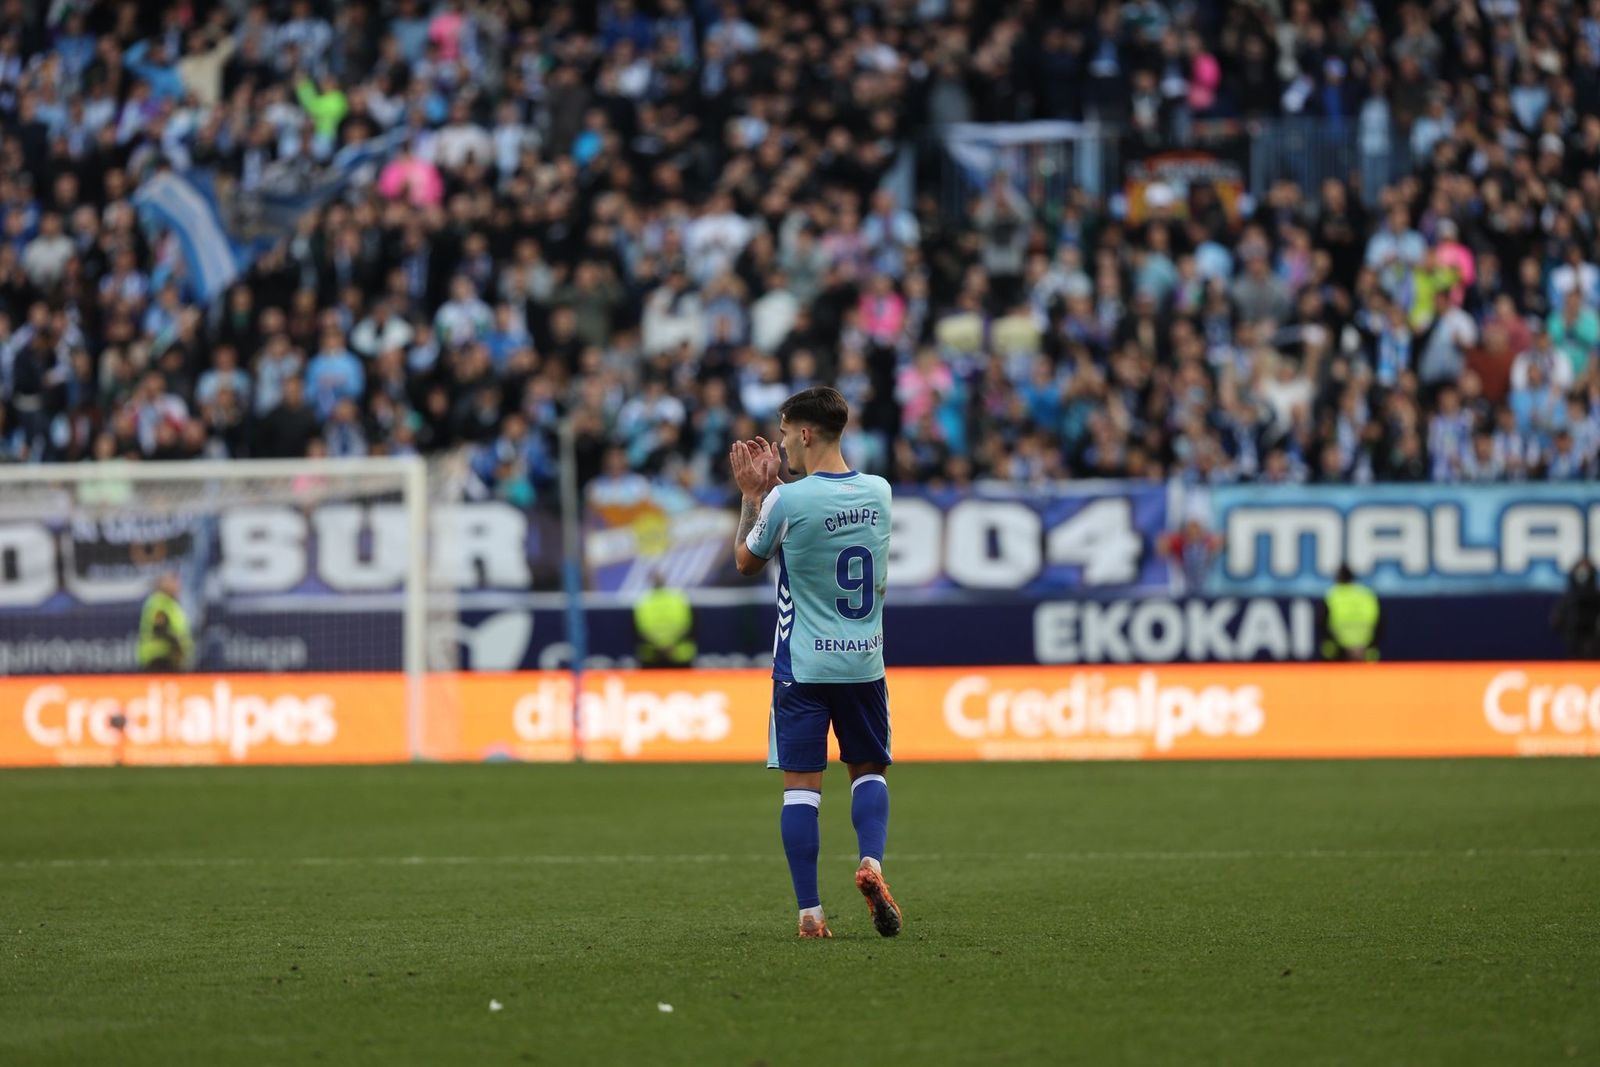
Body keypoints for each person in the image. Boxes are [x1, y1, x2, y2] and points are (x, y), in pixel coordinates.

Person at [729, 386, 899, 940]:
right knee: (868, 771)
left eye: (783, 433)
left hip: (802, 668)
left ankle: (810, 914)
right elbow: (826, 509)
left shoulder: (785, 502)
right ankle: (871, 864)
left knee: (801, 791)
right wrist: (776, 490)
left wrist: (753, 495)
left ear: (804, 433)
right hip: (863, 664)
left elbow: (746, 561)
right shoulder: (879, 492)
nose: (780, 444)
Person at [633, 573, 696, 667]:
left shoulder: (678, 599)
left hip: (674, 655)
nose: (658, 580)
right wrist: (665, 647)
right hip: (657, 656)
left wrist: (664, 648)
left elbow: (689, 626)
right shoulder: (644, 602)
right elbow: (639, 630)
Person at [1320, 564, 1381, 662]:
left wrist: (1344, 647)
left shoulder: (1333, 595)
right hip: (1365, 650)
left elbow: (1321, 624)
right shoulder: (1367, 595)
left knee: (1328, 649)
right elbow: (1380, 623)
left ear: (1338, 578)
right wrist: (1369, 646)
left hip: (1340, 651)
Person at [138, 572, 193, 672]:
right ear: (163, 584)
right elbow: (160, 628)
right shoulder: (159, 602)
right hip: (159, 659)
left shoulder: (172, 603)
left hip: (172, 660)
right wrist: (177, 644)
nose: (177, 585)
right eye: (173, 581)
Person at [1551, 559, 1600, 659]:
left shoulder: (1597, 598)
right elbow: (1556, 621)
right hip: (1572, 645)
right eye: (1580, 569)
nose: (1582, 573)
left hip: (1594, 646)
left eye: (1586, 570)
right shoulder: (1568, 598)